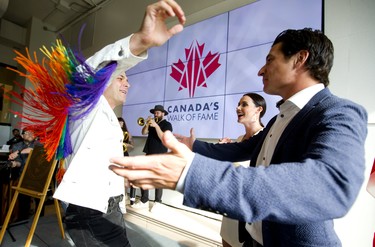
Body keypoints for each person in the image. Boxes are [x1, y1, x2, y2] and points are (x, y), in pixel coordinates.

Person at [109, 28, 368, 247]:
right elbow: (239, 151)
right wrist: (193, 146)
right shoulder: (282, 116)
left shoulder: (338, 112)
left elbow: (331, 187)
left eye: (270, 59)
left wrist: (190, 174)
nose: (261, 70)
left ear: (300, 59)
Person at [49, 1, 184, 246]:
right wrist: (140, 41)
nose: (127, 83)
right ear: (101, 79)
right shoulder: (84, 105)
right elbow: (85, 73)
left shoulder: (109, 116)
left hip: (109, 207)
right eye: (121, 76)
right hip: (90, 211)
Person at [220, 93, 266, 247]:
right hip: (230, 207)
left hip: (248, 212)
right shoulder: (239, 139)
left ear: (258, 109)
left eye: (244, 104)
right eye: (238, 104)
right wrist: (225, 153)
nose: (238, 108)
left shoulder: (265, 139)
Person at [131, 105, 173, 211]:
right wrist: (147, 124)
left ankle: (158, 202)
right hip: (149, 153)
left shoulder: (167, 124)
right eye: (155, 113)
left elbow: (163, 137)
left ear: (163, 114)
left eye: (158, 113)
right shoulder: (152, 123)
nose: (156, 114)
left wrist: (156, 126)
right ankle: (144, 200)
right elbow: (143, 132)